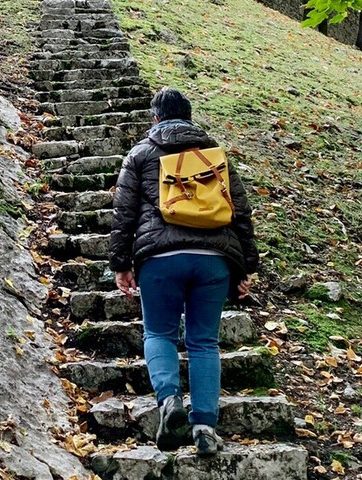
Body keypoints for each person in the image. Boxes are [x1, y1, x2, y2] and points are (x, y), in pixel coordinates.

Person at [108, 87, 259, 455]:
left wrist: (120, 263)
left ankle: (169, 401)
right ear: (189, 118)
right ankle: (205, 426)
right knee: (204, 342)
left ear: (155, 118)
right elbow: (240, 211)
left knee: (159, 332)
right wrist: (247, 267)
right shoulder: (214, 156)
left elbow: (123, 213)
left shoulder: (141, 154)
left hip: (159, 259)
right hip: (213, 259)